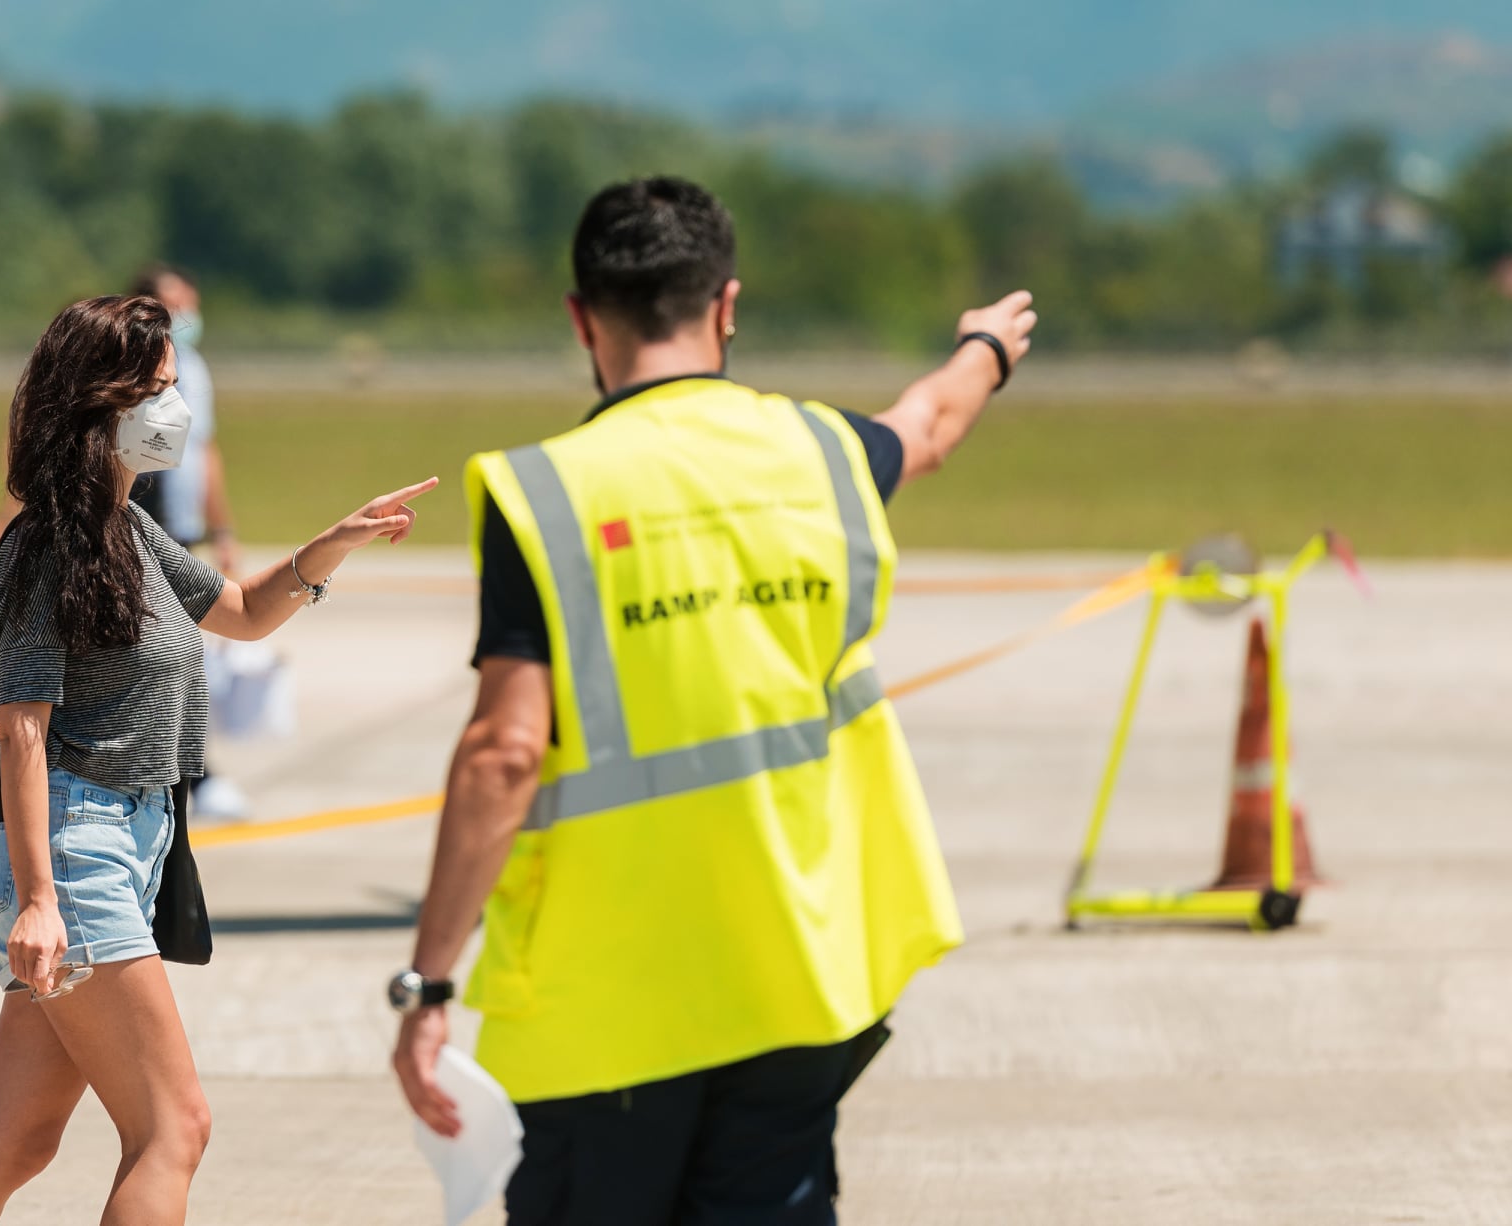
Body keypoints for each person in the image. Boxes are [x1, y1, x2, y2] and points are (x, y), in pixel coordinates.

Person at [390, 177, 1036, 1224]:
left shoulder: (544, 492)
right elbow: (927, 426)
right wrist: (986, 348)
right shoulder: (825, 454)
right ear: (727, 306)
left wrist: (427, 984)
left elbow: (504, 755)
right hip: (792, 983)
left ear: (578, 317)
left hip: (598, 1017)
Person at [0, 293, 436, 1226]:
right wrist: (38, 898)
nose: (175, 408)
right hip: (74, 853)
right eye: (155, 388)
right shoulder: (52, 545)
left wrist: (335, 545)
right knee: (173, 1128)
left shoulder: (128, 530)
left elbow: (240, 611)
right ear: (100, 405)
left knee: (13, 1143)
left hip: (111, 847)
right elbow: (22, 727)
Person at [129, 263, 254, 823]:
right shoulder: (135, 367)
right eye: (173, 306)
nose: (187, 317)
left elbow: (205, 450)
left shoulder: (193, 369)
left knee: (186, 651)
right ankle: (184, 771)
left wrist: (221, 529)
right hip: (141, 524)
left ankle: (190, 769)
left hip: (180, 532)